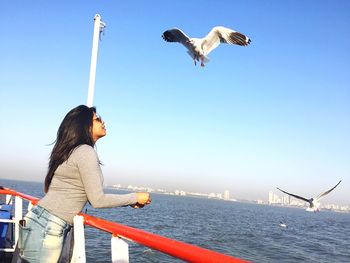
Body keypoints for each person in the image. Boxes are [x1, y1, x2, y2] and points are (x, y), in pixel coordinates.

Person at [18, 105, 151, 262]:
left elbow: (81, 192)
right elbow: (97, 200)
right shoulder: (85, 152)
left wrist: (129, 203)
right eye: (97, 118)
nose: (103, 121)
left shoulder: (73, 151)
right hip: (47, 227)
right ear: (84, 125)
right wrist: (134, 197)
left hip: (41, 221)